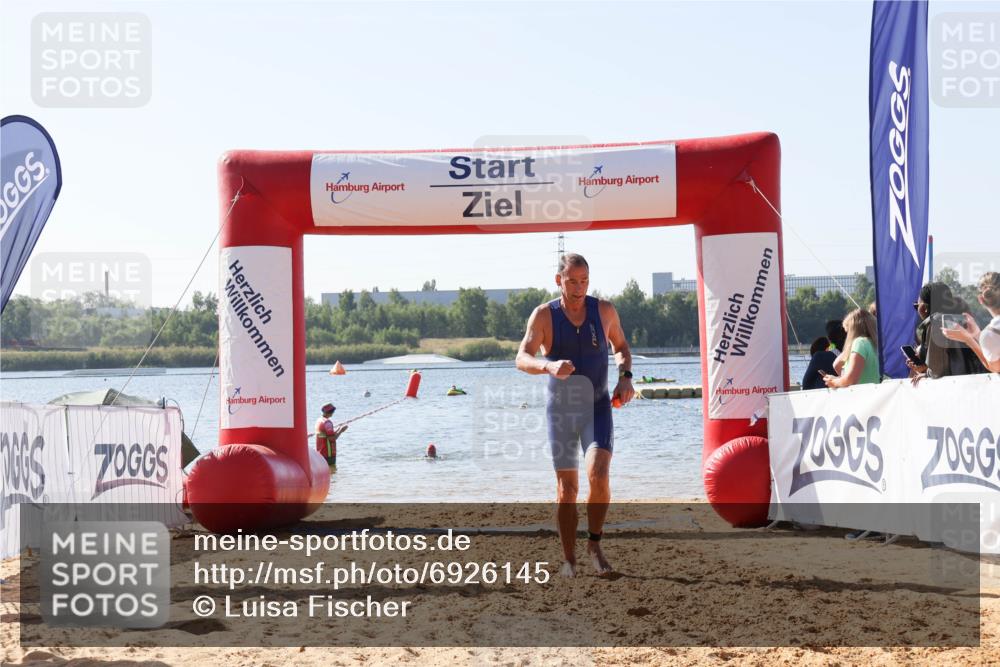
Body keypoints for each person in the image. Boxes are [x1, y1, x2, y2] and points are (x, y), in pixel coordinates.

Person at [515, 253, 634, 577]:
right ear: (559, 281)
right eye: (572, 281)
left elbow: (621, 346)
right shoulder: (544, 316)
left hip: (597, 407)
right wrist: (548, 365)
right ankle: (569, 559)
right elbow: (522, 357)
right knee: (567, 490)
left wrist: (626, 377)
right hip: (562, 412)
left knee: (599, 473)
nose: (579, 288)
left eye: (584, 281)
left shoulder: (604, 310)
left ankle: (594, 544)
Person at [908, 282, 985, 380]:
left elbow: (937, 370)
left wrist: (926, 373)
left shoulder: (936, 323)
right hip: (978, 380)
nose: (917, 310)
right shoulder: (964, 320)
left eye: (917, 306)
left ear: (925, 308)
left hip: (955, 386)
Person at [941, 272, 1000, 373]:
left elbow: (995, 367)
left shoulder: (991, 334)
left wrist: (968, 339)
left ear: (981, 299)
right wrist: (977, 335)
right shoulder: (989, 335)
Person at [823, 308, 880, 388]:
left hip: (860, 395)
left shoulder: (859, 343)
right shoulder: (875, 344)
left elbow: (850, 379)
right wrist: (839, 380)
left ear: (853, 330)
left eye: (847, 331)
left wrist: (833, 382)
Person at [315, 403, 348, 470]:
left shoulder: (319, 420)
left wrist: (338, 429)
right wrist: (341, 430)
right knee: (331, 472)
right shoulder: (327, 423)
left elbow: (327, 435)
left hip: (320, 453)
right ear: (331, 412)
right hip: (328, 454)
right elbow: (332, 438)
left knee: (325, 472)